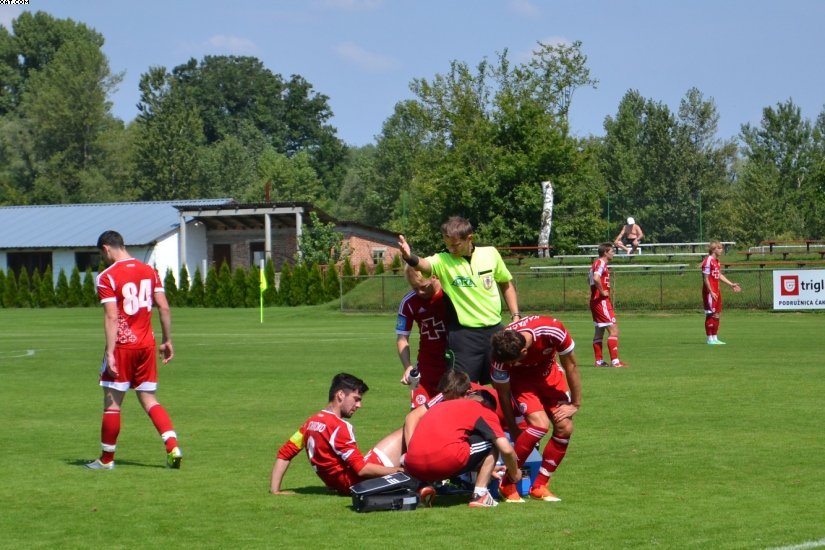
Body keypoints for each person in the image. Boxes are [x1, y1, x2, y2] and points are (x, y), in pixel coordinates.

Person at [86, 230, 182, 470]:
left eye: (102, 254)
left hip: (122, 346)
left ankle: (106, 460)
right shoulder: (149, 271)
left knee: (112, 402)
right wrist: (167, 340)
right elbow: (164, 307)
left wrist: (110, 352)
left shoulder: (107, 276)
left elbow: (111, 316)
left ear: (106, 248)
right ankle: (172, 446)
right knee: (149, 399)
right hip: (146, 345)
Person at [398, 216, 521, 384]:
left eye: (455, 245)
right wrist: (409, 257)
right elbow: (424, 264)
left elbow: (505, 284)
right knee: (462, 388)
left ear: (469, 238)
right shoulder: (443, 259)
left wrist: (515, 316)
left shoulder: (490, 253)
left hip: (495, 332)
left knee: (503, 384)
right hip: (464, 336)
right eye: (448, 244)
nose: (451, 249)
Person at [489, 315, 582, 503]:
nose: (510, 366)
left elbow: (571, 364)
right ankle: (507, 483)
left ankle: (540, 485)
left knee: (565, 427)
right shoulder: (500, 356)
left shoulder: (552, 330)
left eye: (513, 362)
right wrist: (513, 427)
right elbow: (503, 394)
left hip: (549, 376)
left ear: (524, 351)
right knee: (540, 425)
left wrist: (575, 404)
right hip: (522, 382)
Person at [270, 373, 404, 495]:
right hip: (355, 482)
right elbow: (361, 469)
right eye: (356, 399)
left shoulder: (310, 423)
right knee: (408, 428)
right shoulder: (339, 426)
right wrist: (399, 471)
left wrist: (275, 490)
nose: (359, 405)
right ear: (340, 395)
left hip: (338, 484)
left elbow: (284, 454)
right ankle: (413, 473)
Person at [404, 390, 522, 508]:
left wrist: (487, 468)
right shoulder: (483, 409)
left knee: (448, 444)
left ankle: (422, 486)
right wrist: (515, 473)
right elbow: (506, 450)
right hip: (444, 460)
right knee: (493, 442)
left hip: (412, 463)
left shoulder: (442, 404)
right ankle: (480, 496)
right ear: (487, 404)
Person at [396, 266, 449, 408]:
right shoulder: (408, 302)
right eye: (415, 288)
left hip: (453, 364)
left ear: (434, 277)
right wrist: (407, 367)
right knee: (417, 413)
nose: (420, 292)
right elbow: (402, 338)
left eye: (423, 287)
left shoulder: (450, 295)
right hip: (426, 365)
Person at [589, 242, 627, 367]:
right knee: (614, 330)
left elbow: (589, 279)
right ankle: (615, 362)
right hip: (601, 301)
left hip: (596, 301)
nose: (613, 253)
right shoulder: (600, 263)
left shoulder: (596, 264)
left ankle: (599, 361)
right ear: (605, 252)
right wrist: (601, 291)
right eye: (612, 251)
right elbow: (596, 278)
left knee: (599, 331)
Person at [701, 240, 742, 345]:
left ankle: (715, 337)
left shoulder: (717, 261)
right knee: (710, 314)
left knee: (717, 314)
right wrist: (710, 291)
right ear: (713, 249)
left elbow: (718, 275)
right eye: (719, 248)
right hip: (710, 292)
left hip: (717, 291)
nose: (721, 250)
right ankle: (709, 338)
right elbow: (705, 278)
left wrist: (731, 284)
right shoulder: (708, 260)